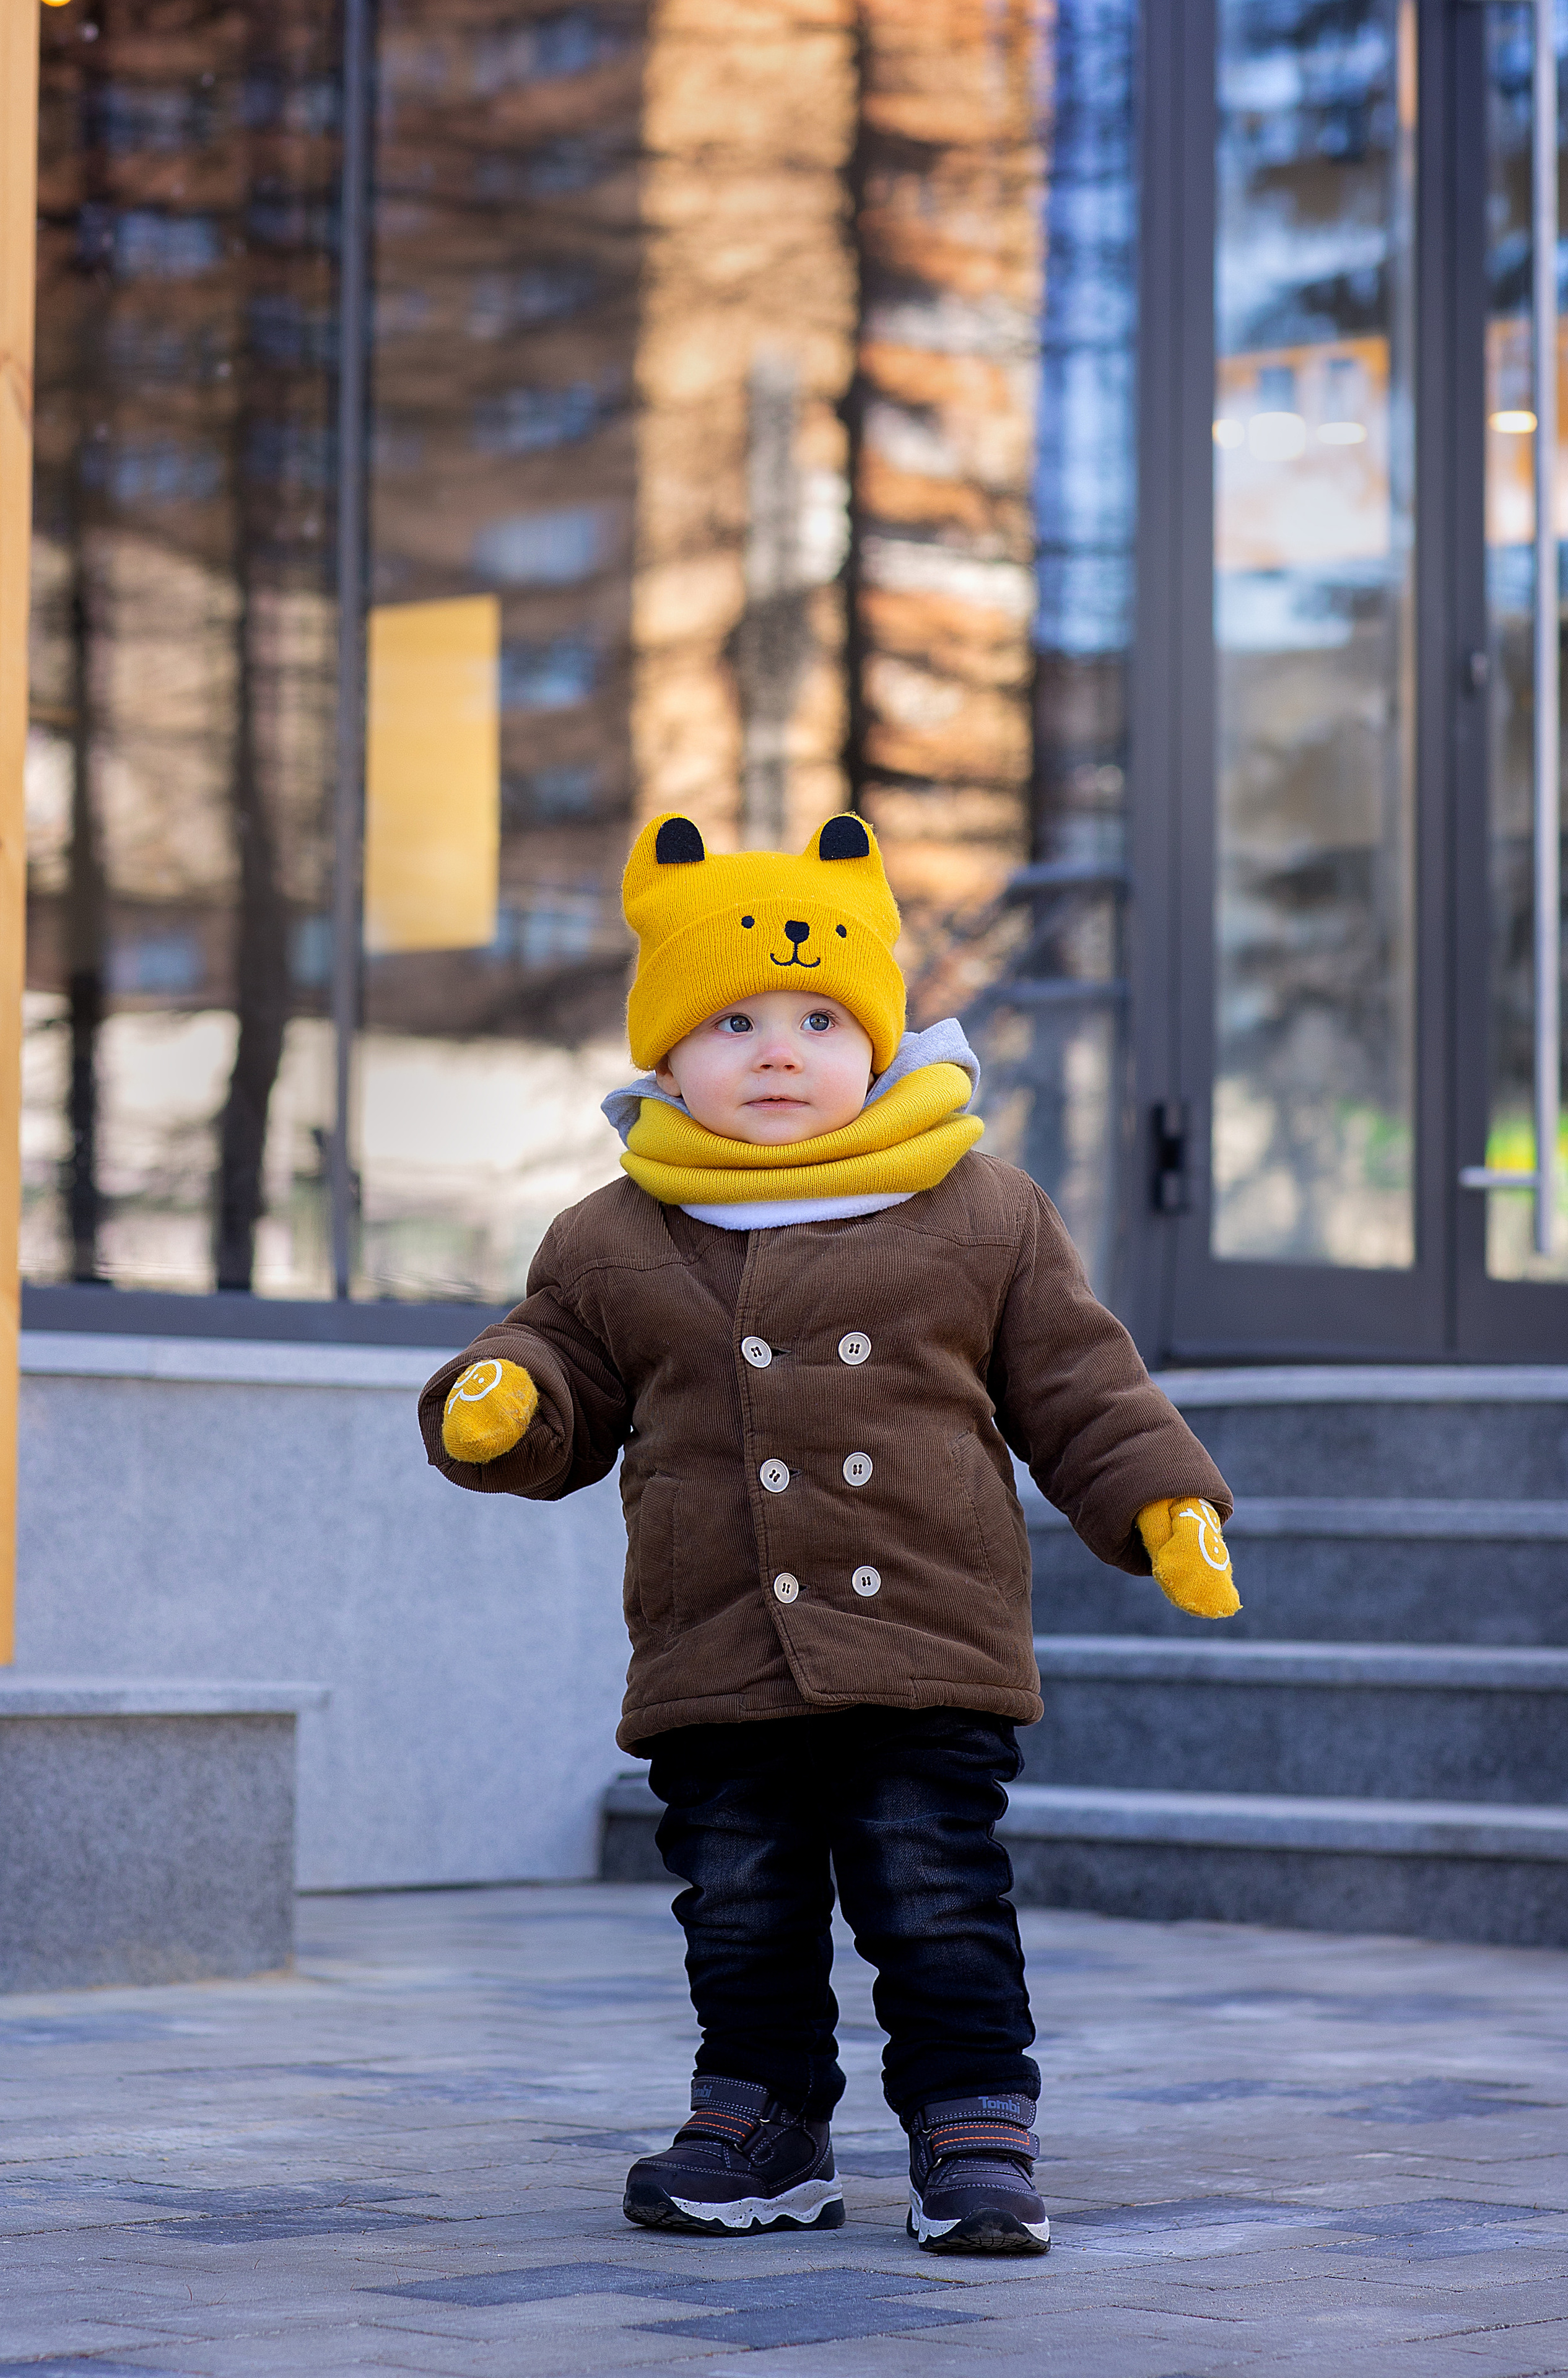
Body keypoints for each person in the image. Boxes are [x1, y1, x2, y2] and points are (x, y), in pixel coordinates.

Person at [419, 810, 1237, 2257]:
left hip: (925, 1636)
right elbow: (551, 1369)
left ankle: (972, 2120)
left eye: (815, 1016)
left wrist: (1159, 1502)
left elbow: (1078, 1381)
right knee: (739, 1908)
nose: (777, 1050)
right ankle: (762, 2118)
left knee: (932, 1895)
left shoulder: (977, 1207)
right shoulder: (611, 1236)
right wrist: (501, 1401)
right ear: (665, 1056)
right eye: (730, 1022)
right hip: (718, 1648)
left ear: (876, 1037)